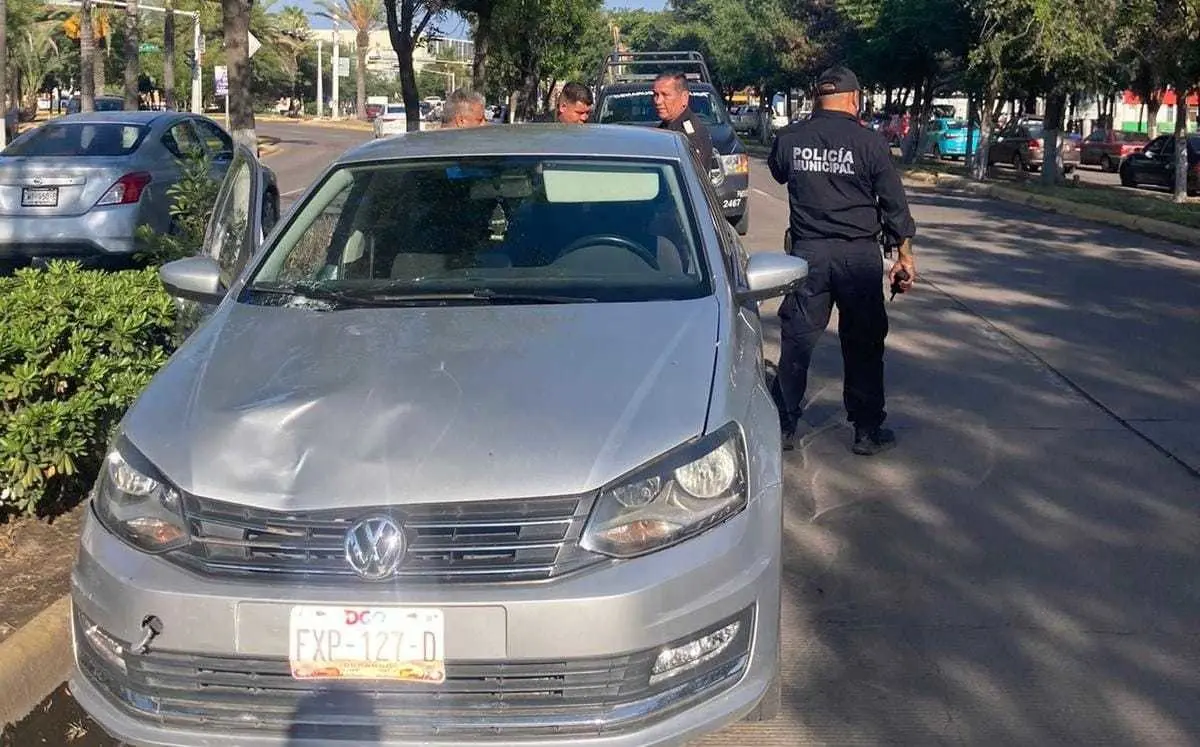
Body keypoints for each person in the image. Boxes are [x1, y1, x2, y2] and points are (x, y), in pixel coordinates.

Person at [767, 64, 917, 456]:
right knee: (864, 343)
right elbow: (895, 208)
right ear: (854, 99)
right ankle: (866, 430)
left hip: (808, 254)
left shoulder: (790, 138)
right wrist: (904, 258)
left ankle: (784, 423)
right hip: (858, 256)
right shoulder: (871, 143)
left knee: (798, 338)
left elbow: (779, 172)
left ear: (818, 98)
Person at [652, 71, 717, 174]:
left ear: (684, 98)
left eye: (665, 95)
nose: (658, 101)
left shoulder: (689, 136)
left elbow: (690, 178)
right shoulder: (665, 127)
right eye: (656, 94)